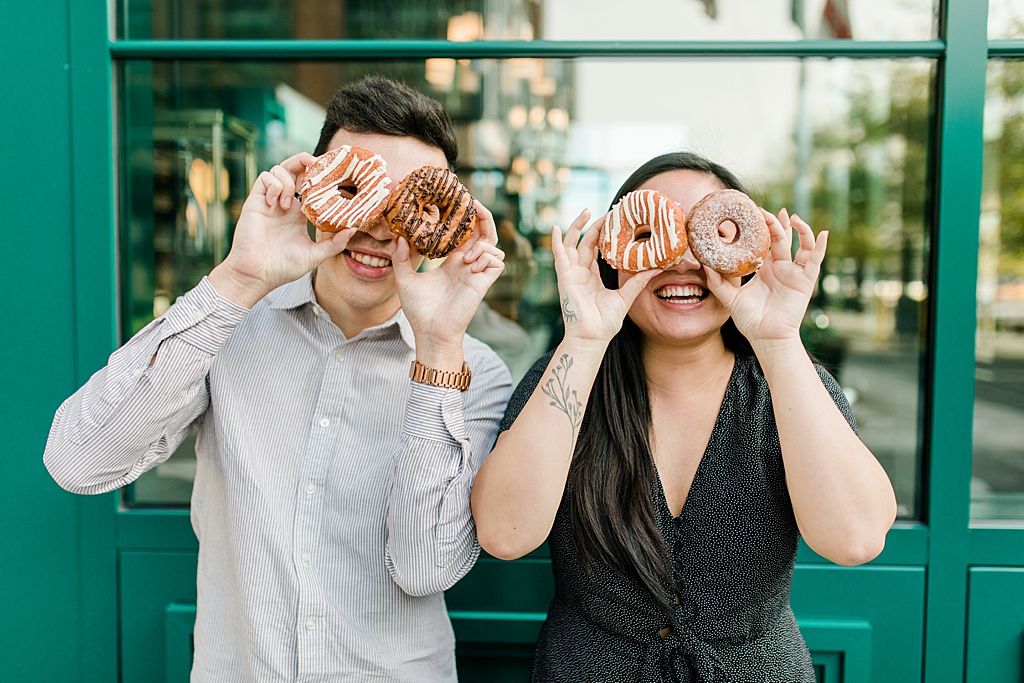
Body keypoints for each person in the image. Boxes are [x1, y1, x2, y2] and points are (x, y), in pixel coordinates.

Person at [44, 76, 511, 682]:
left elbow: (426, 567)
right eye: (357, 191)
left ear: (441, 224)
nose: (377, 230)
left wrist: (438, 346)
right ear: (313, 185)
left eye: (406, 208)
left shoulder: (472, 370)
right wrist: (239, 277)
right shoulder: (227, 325)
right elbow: (77, 461)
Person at [470, 152, 897, 682]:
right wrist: (583, 338)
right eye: (655, 234)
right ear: (613, 254)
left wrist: (778, 340)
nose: (682, 262)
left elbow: (854, 540)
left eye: (702, 234)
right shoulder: (565, 379)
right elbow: (504, 534)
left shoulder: (785, 388)